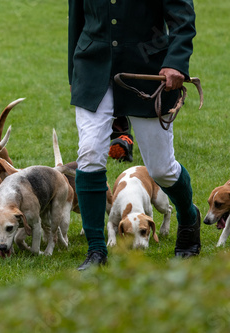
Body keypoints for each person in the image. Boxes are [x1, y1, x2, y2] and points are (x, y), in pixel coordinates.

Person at [68, 0, 201, 270]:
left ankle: (189, 216)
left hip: (149, 69)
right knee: (90, 154)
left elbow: (182, 17)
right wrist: (76, 74)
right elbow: (76, 17)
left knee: (162, 169)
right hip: (93, 67)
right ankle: (96, 249)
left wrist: (176, 62)